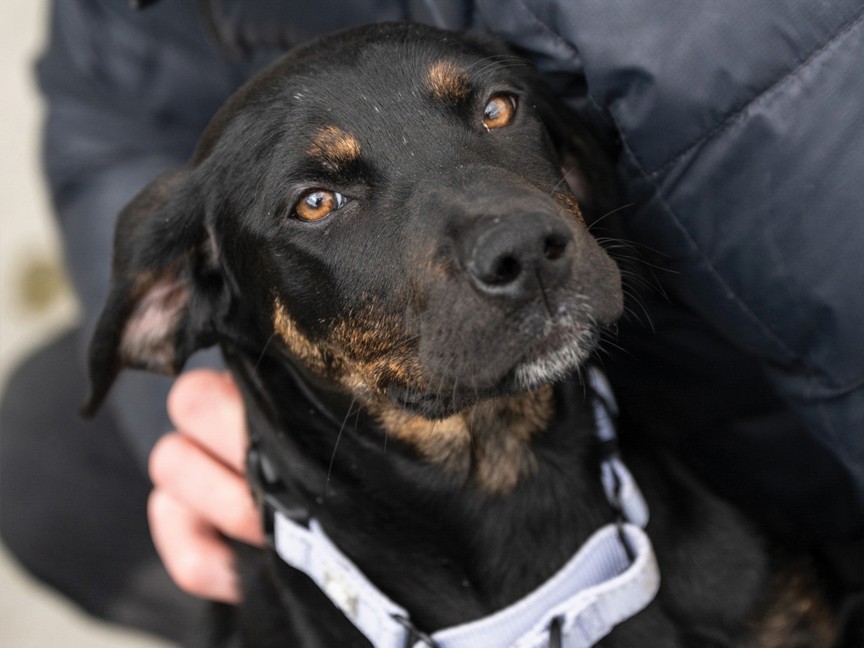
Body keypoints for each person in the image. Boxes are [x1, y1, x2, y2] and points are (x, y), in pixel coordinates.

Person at [2, 0, 862, 643]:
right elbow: (105, 118)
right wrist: (186, 419)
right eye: (318, 200)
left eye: (492, 113)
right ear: (171, 309)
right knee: (43, 448)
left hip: (771, 412)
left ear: (572, 162)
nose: (509, 235)